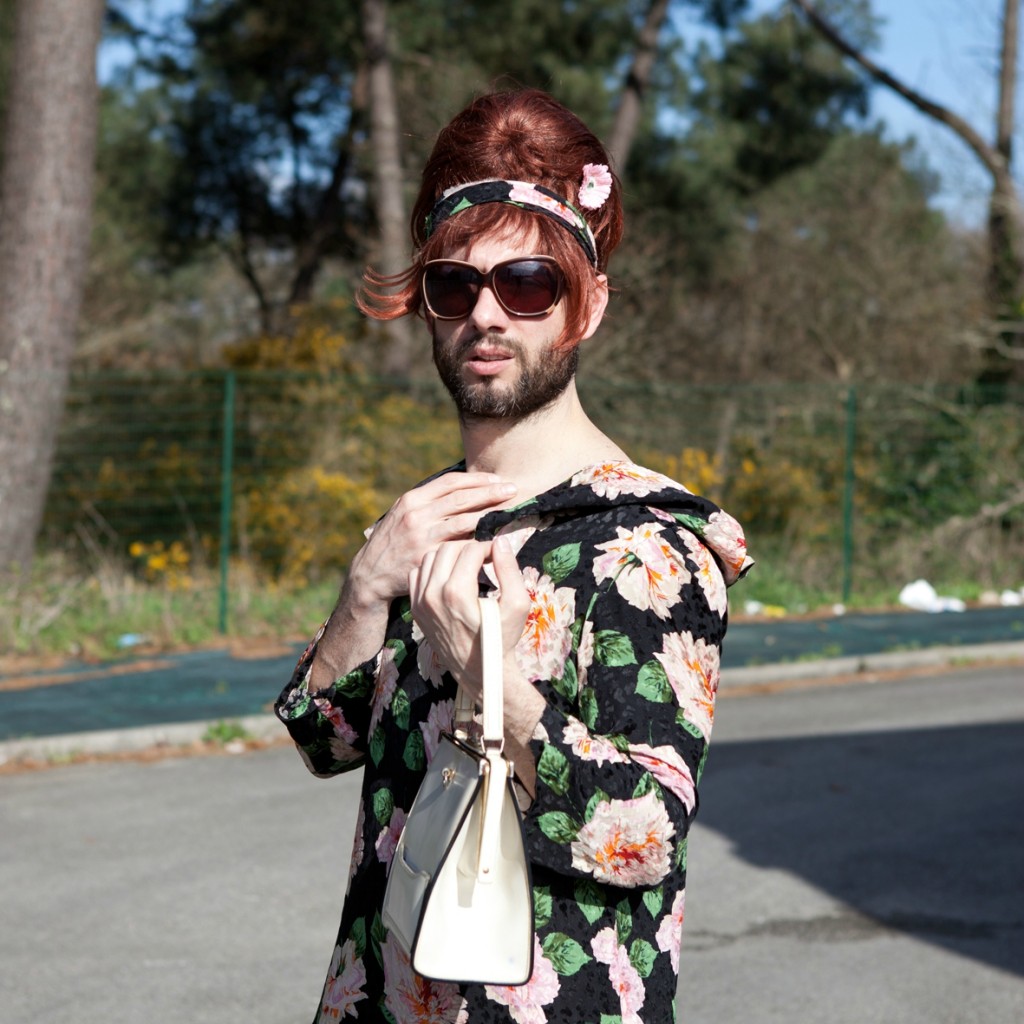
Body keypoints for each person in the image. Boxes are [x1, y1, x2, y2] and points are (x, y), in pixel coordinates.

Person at [275, 87, 752, 1024]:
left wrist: (490, 675)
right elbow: (324, 741)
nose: (487, 313)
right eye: (456, 285)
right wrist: (365, 590)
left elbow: (645, 837)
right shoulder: (431, 518)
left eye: (528, 282)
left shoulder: (646, 547)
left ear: (586, 307)